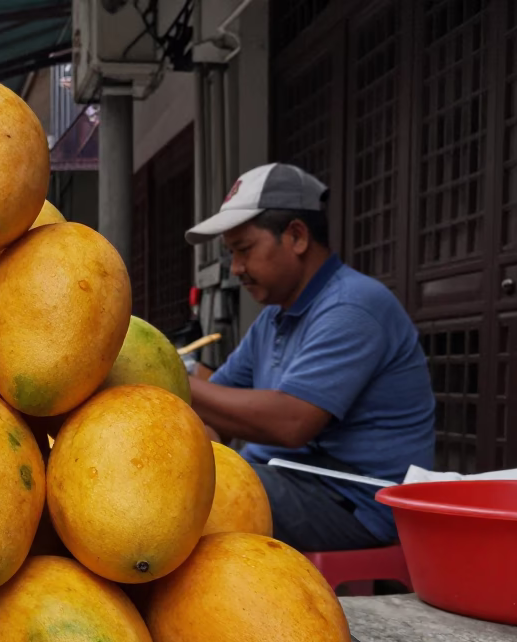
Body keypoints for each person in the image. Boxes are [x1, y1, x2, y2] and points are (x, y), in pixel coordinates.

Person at [184, 163, 435, 552]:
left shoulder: (353, 307)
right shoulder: (272, 321)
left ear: (297, 236)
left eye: (244, 250)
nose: (236, 269)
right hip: (289, 480)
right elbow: (211, 409)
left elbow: (292, 422)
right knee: (177, 479)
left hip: (354, 500)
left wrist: (172, 379)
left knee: (192, 497)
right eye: (232, 254)